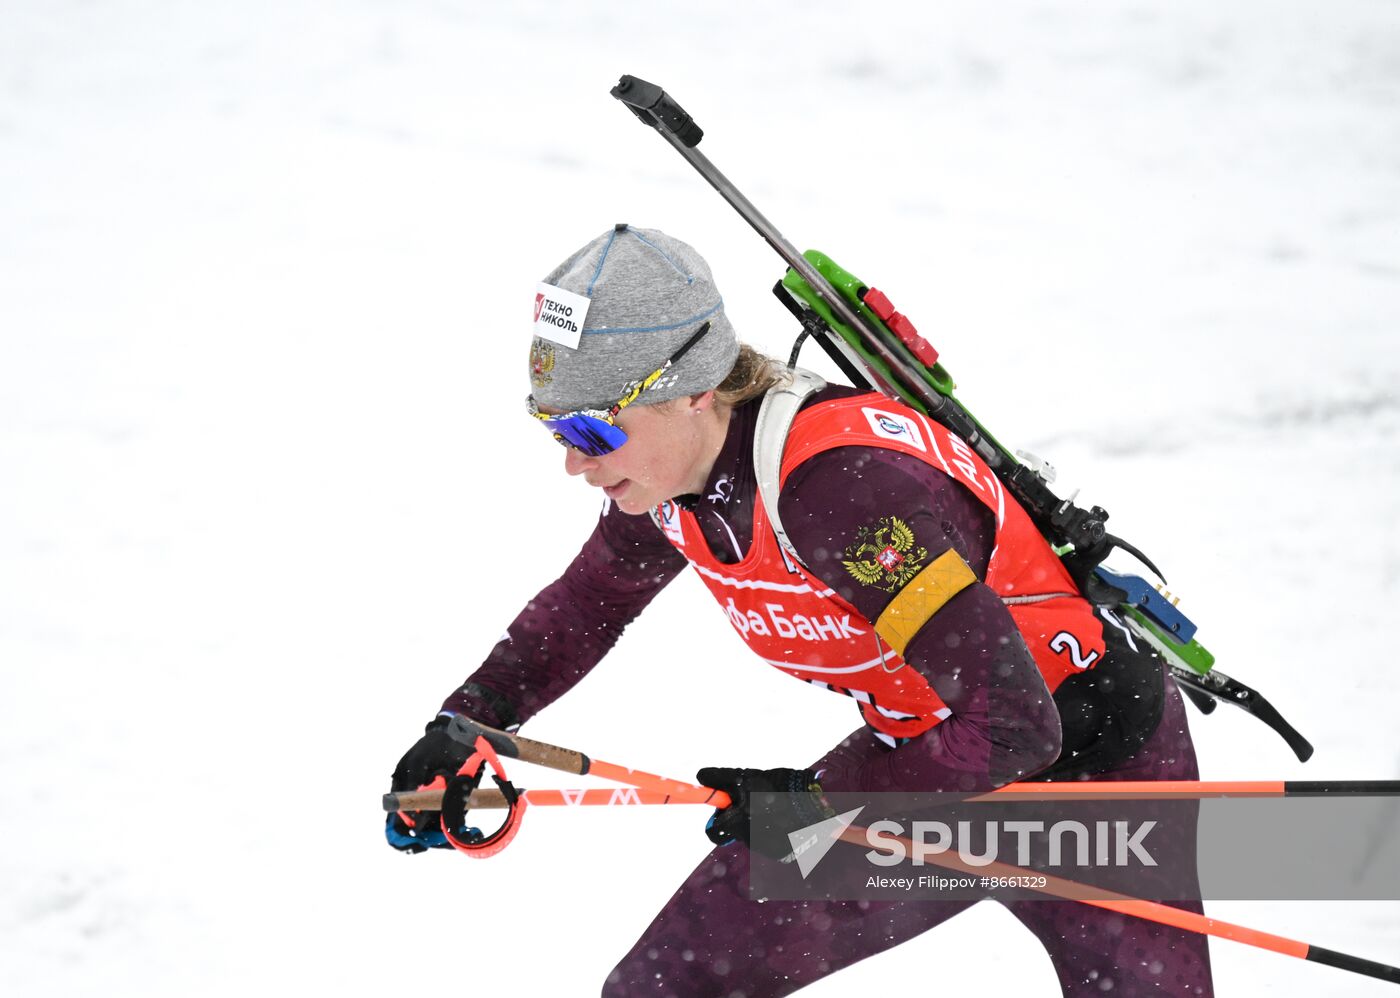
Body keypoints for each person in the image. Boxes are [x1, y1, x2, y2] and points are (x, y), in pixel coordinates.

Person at [386, 224, 1214, 996]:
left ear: (692, 392)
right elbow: (587, 606)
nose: (574, 463)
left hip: (1091, 779)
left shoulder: (838, 493)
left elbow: (1014, 726)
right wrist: (468, 720)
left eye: (595, 432)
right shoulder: (670, 487)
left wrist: (823, 804)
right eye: (553, 430)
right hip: (929, 768)